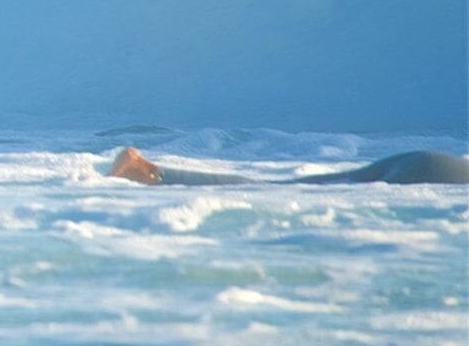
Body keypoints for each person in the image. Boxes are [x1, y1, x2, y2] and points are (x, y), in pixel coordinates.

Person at [107, 146, 469, 187]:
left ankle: (154, 172)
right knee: (279, 188)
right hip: (430, 172)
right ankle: (151, 173)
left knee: (279, 187)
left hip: (424, 163)